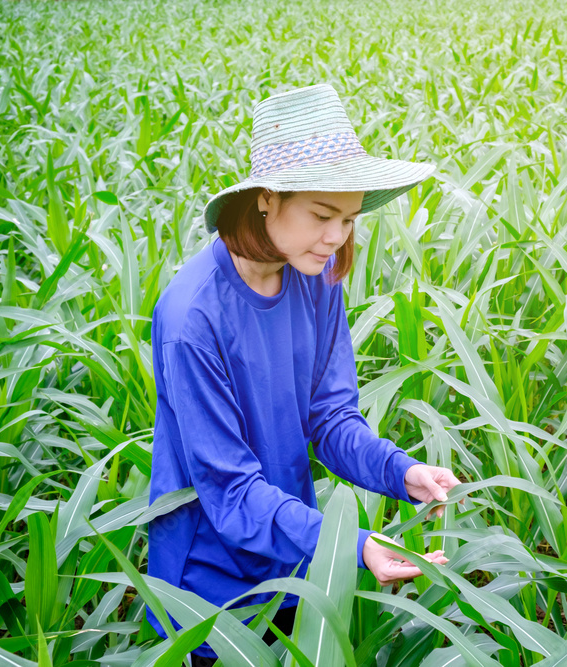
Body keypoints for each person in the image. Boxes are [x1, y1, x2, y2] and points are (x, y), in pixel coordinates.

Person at [144, 83, 462, 666]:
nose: (337, 237)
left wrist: (403, 471)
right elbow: (231, 492)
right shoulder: (193, 317)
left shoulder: (315, 277)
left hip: (294, 556)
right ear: (267, 198)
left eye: (348, 218)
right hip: (211, 592)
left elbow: (331, 417)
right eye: (322, 215)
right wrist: (354, 545)